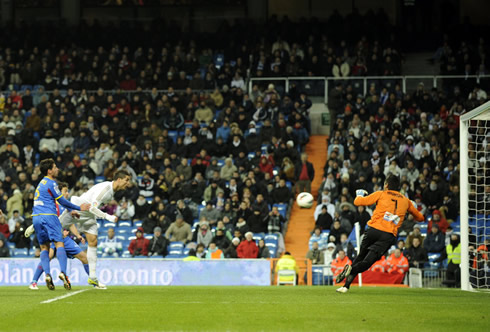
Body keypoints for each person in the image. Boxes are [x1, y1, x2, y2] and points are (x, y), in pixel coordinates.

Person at [336, 175, 424, 293]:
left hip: (373, 230)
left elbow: (358, 202)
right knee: (367, 263)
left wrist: (360, 194)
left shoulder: (381, 194)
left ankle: (345, 286)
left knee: (360, 256)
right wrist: (413, 207)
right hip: (387, 235)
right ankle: (350, 273)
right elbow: (420, 218)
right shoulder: (406, 201)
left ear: (386, 185)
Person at [57, 169, 131, 289]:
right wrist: (108, 217)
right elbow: (92, 207)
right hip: (78, 209)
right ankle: (34, 226)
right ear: (118, 179)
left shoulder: (112, 190)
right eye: (126, 180)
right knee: (54, 226)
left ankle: (92, 277)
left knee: (93, 241)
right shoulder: (106, 190)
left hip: (88, 216)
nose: (128, 183)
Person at [30, 158, 91, 290]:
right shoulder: (52, 183)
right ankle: (63, 273)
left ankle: (47, 274)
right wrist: (80, 208)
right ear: (49, 170)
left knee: (44, 248)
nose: (57, 169)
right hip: (49, 216)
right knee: (59, 244)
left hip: (36, 217)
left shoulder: (40, 184)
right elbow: (63, 201)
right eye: (55, 167)